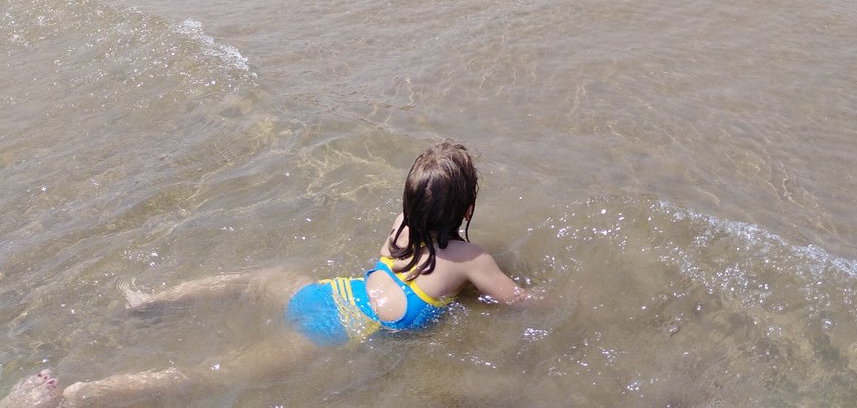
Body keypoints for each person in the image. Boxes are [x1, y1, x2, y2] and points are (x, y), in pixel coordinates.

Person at [0, 141, 533, 407]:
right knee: (214, 373)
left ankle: (150, 300)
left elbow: (394, 270)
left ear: (410, 202)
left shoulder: (399, 227)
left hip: (329, 294)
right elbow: (519, 303)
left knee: (255, 278)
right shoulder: (473, 260)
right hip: (340, 328)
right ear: (468, 206)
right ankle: (74, 394)